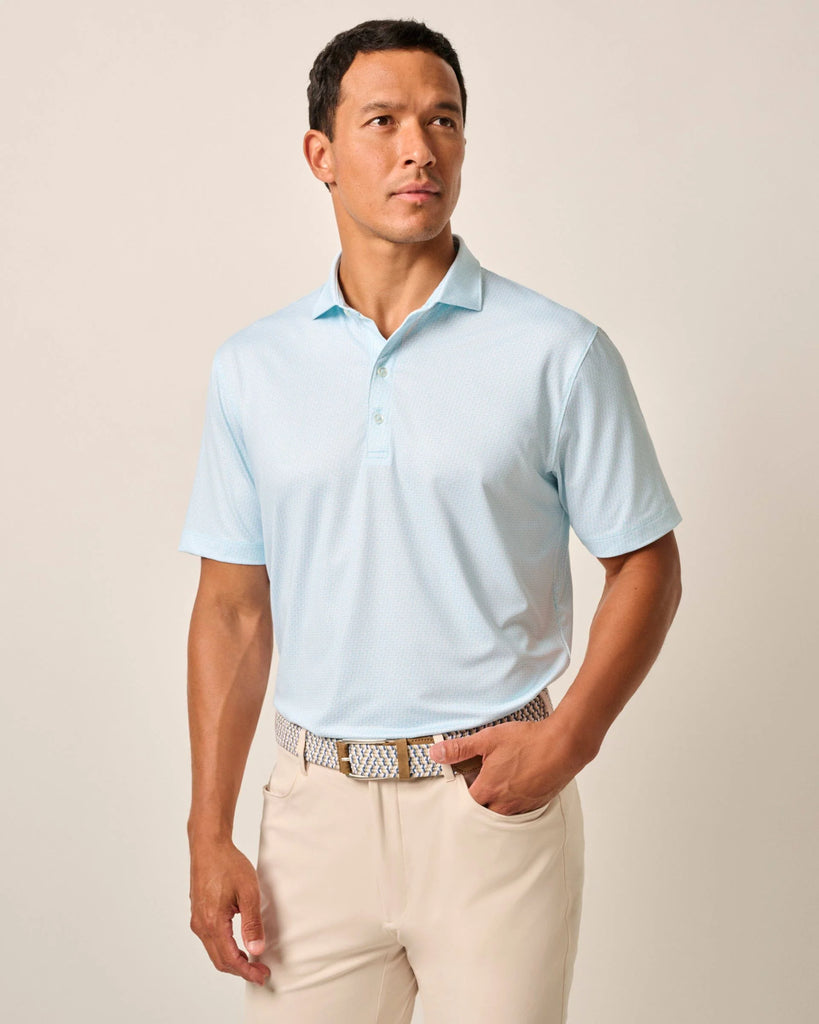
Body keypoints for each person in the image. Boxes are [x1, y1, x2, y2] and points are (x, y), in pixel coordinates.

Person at [179, 17, 683, 1024]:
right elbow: (232, 608)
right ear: (321, 154)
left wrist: (570, 738)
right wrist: (208, 827)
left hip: (491, 811)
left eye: (443, 120)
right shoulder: (253, 369)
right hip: (311, 820)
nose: (420, 147)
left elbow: (647, 564)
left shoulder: (558, 352)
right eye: (384, 121)